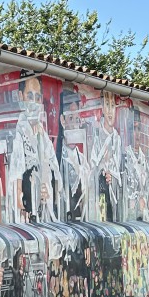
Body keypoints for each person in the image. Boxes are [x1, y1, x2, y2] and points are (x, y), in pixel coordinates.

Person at [9, 74, 60, 223]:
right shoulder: (17, 135)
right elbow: (15, 182)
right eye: (29, 96)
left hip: (45, 214)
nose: (34, 103)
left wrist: (47, 188)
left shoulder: (44, 137)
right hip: (27, 218)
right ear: (20, 97)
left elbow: (56, 175)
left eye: (37, 98)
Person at [90, 91, 122, 222]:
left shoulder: (117, 138)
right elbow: (91, 168)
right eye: (107, 105)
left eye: (113, 106)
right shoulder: (96, 136)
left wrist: (113, 177)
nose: (110, 111)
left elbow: (119, 171)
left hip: (114, 197)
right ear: (102, 108)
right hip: (100, 194)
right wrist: (102, 174)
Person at [57, 89, 89, 221]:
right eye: (70, 118)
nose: (74, 124)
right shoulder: (56, 158)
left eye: (77, 119)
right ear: (63, 121)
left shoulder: (82, 159)